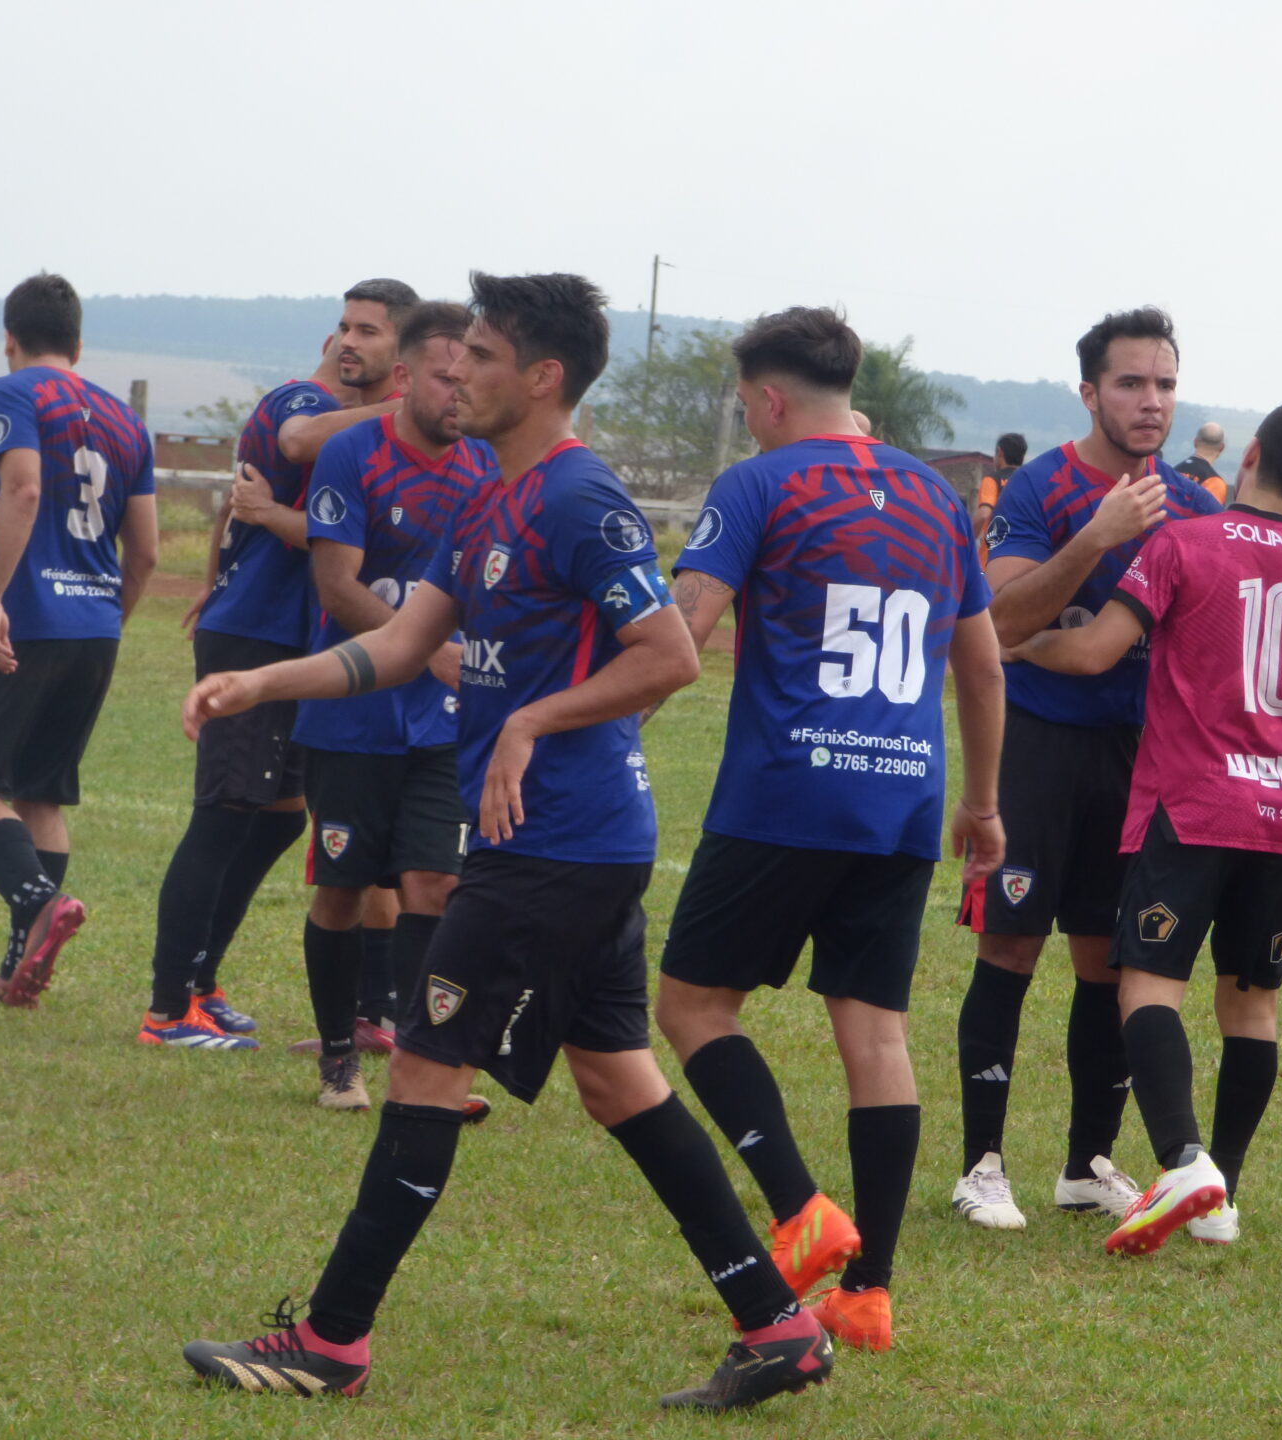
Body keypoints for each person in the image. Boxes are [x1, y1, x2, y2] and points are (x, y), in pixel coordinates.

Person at [178, 272, 832, 1412]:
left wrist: (531, 721)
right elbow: (399, 645)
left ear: (541, 376)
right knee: (619, 1084)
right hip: (554, 847)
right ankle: (780, 1326)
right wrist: (261, 683)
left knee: (426, 1068)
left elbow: (671, 654)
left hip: (559, 847)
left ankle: (331, 1342)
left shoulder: (581, 498)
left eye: (479, 355)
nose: (453, 371)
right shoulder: (491, 496)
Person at [951, 307, 1282, 1232]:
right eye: (1132, 383)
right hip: (1041, 744)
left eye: (1166, 384)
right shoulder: (1038, 488)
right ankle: (983, 1164)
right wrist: (1095, 538)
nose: (1152, 402)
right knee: (1011, 946)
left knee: (1109, 961)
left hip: (1143, 760)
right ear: (1089, 391)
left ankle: (1086, 1163)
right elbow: (1000, 622)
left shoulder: (1193, 507)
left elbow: (1259, 580)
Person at [652, 306, 1006, 1354]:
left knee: (692, 1006)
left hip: (786, 794)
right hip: (902, 800)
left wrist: (591, 726)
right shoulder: (937, 498)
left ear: (768, 398)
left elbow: (685, 632)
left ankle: (800, 1206)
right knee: (877, 1034)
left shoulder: (758, 484)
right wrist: (983, 804)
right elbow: (983, 668)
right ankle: (870, 1292)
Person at [138, 280, 415, 1051]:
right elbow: (293, 447)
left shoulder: (360, 429)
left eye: (368, 330)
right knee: (226, 813)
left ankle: (203, 985)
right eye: (345, 327)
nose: (349, 340)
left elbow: (247, 507)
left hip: (296, 645)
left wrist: (216, 574)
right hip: (255, 639)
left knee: (280, 820)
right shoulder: (298, 401)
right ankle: (167, 1011)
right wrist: (408, 409)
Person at [0, 273, 158, 1006]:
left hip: (23, 620)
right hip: (97, 627)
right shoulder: (127, 420)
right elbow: (146, 552)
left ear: (10, 340)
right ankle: (19, 967)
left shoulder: (14, 392)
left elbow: (24, 488)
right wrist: (105, 618)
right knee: (40, 793)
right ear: (78, 345)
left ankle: (38, 904)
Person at [285, 300, 494, 1110]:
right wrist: (424, 646)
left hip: (445, 721)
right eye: (444, 377)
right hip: (353, 714)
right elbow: (336, 587)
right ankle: (340, 1059)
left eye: (469, 375)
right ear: (403, 377)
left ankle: (422, 1064)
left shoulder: (484, 465)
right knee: (341, 891)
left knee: (435, 884)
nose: (459, 391)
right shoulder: (353, 455)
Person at [974, 432, 1027, 569]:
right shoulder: (1031, 482)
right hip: (1023, 560)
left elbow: (984, 513)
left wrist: (966, 539)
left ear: (999, 452)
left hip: (991, 560)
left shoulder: (992, 480)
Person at [1175, 421, 1229, 506]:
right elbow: (1213, 514)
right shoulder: (1215, 482)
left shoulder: (1173, 472)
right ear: (1222, 448)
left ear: (1195, 442)